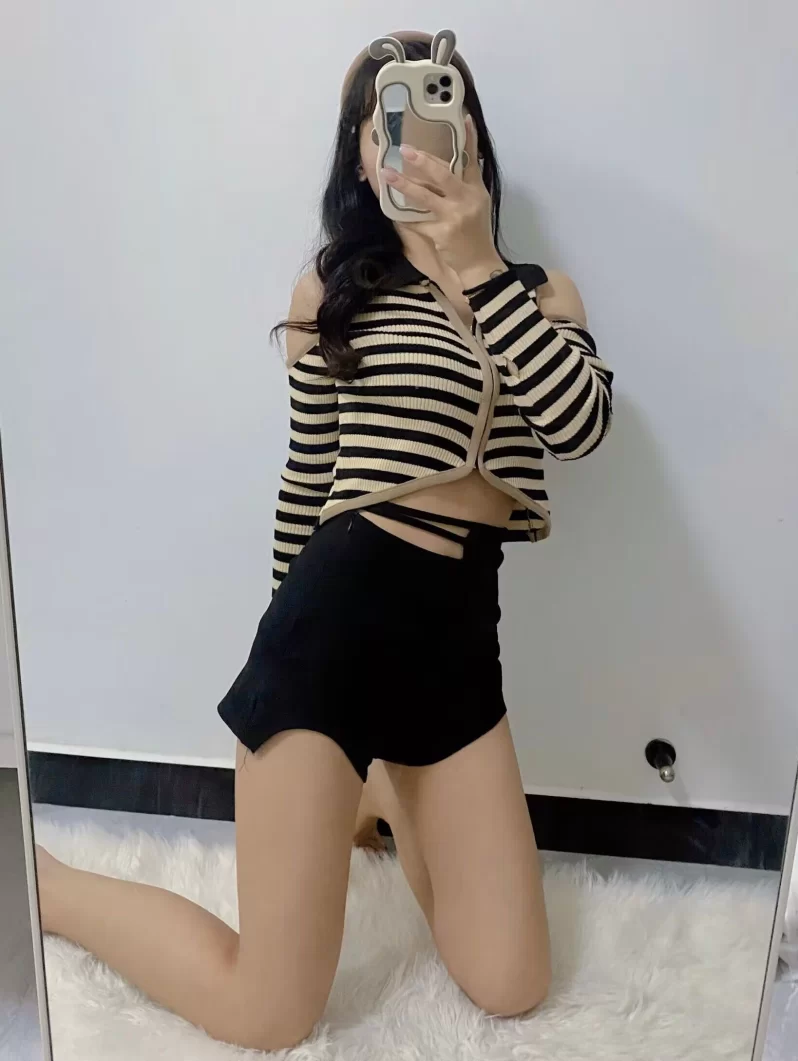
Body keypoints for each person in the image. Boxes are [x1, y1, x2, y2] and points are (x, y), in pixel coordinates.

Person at [35, 31, 613, 1051]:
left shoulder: (539, 295)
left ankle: (380, 785)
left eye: (432, 106)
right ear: (358, 153)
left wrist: (479, 264)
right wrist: (282, 666)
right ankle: (43, 882)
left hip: (454, 660)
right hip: (330, 638)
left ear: (469, 132)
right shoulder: (334, 295)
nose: (407, 135)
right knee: (270, 1009)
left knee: (512, 982)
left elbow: (579, 427)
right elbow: (306, 486)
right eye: (376, 119)